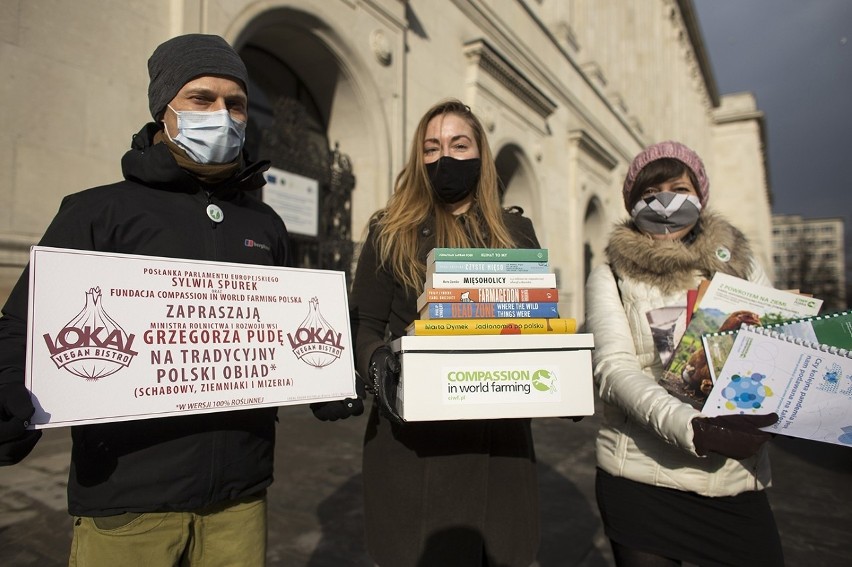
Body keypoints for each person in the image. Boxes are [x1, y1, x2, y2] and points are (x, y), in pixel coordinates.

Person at [0, 34, 291, 565]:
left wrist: (323, 376)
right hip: (128, 500)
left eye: (236, 103)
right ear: (165, 110)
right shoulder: (98, 212)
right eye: (202, 99)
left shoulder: (266, 224)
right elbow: (23, 324)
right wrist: (4, 392)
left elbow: (289, 325)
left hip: (239, 498)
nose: (223, 114)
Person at [346, 99, 542, 566]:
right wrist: (379, 366)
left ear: (480, 152)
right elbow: (364, 323)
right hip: (413, 443)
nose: (444, 157)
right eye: (431, 147)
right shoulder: (389, 229)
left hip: (499, 444)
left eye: (459, 144)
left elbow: (533, 321)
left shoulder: (516, 231)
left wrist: (560, 377)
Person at [585, 141, 784, 566]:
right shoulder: (611, 274)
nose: (665, 203)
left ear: (700, 193)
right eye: (650, 194)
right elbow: (613, 368)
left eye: (678, 187)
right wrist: (691, 426)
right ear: (633, 204)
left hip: (734, 481)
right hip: (642, 479)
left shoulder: (741, 266)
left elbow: (777, 348)